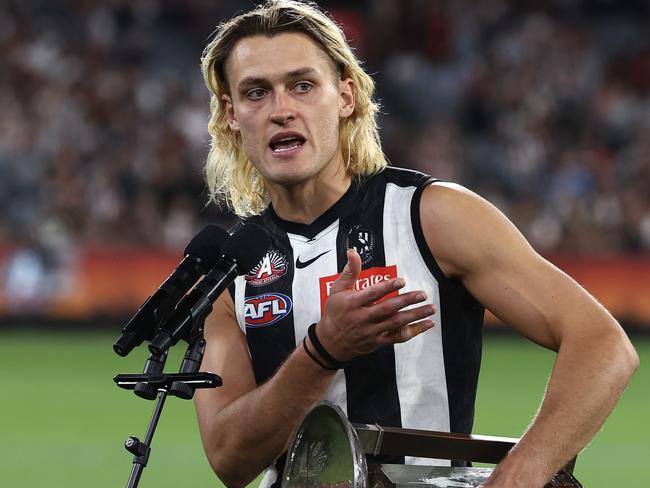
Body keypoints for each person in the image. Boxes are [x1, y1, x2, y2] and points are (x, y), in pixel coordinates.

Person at [194, 1, 638, 487]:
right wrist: (323, 351)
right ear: (232, 115)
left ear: (346, 97)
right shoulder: (225, 270)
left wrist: (522, 472)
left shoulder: (431, 216)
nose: (281, 110)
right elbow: (229, 459)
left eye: (302, 85)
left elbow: (603, 346)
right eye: (256, 92)